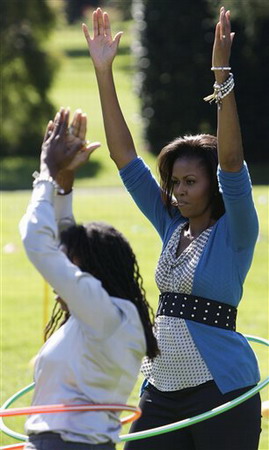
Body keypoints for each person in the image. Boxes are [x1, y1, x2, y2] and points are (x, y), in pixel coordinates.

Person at [82, 6, 262, 450]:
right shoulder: (170, 223)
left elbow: (232, 165)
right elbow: (125, 159)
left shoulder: (235, 230)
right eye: (175, 183)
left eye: (190, 182)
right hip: (160, 390)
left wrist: (221, 76)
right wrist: (103, 71)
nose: (179, 191)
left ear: (212, 187)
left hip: (221, 389)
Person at [19, 107, 159, 450]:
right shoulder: (110, 315)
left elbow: (39, 243)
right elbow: (67, 242)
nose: (63, 276)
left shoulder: (104, 313)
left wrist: (47, 173)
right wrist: (64, 184)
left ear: (91, 274)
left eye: (72, 266)